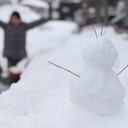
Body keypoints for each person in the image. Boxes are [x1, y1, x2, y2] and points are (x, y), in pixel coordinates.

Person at [0, 11, 48, 84]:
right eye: (13, 19)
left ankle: (19, 91)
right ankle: (11, 90)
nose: (14, 20)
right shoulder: (7, 26)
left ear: (19, 19)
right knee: (11, 75)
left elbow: (35, 23)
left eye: (16, 19)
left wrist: (44, 19)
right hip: (10, 56)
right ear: (10, 19)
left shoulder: (24, 27)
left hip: (20, 55)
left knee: (20, 76)